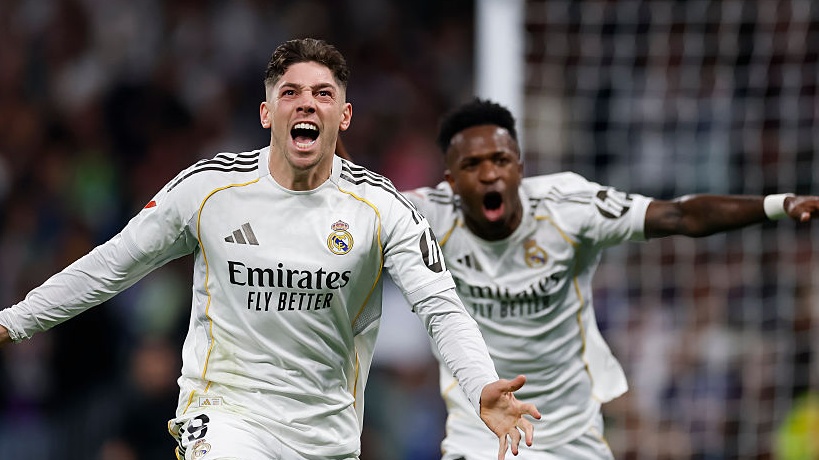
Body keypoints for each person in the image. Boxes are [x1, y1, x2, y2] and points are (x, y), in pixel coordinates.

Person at [0, 40, 541, 460]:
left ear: (344, 117)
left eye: (323, 93)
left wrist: (480, 385)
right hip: (224, 415)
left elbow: (441, 306)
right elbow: (110, 265)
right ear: (266, 113)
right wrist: (15, 321)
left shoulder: (382, 209)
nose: (306, 102)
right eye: (290, 92)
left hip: (325, 435)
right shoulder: (209, 190)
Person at [403, 98, 819, 459]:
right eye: (472, 165)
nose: (489, 174)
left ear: (520, 169)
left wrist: (777, 204)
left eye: (500, 160)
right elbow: (364, 205)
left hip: (570, 434)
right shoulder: (425, 215)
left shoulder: (569, 207)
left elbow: (679, 214)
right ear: (451, 182)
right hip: (481, 430)